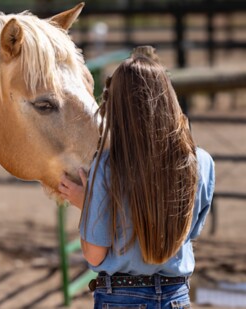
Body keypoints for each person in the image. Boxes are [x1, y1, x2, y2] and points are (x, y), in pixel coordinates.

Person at [58, 46, 215, 309]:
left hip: (120, 298)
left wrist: (89, 206)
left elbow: (94, 256)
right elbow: (188, 233)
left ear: (117, 108)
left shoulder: (106, 166)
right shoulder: (202, 162)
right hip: (177, 297)